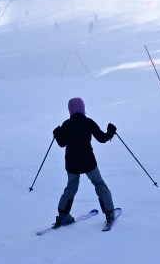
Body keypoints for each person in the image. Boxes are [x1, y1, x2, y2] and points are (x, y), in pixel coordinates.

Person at [52, 97, 118, 227]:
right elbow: (102, 138)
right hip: (88, 162)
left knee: (71, 187)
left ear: (70, 110)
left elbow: (61, 143)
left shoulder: (66, 124)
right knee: (99, 183)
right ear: (83, 108)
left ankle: (63, 216)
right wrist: (111, 132)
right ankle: (110, 213)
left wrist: (57, 134)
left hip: (71, 163)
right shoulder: (88, 122)